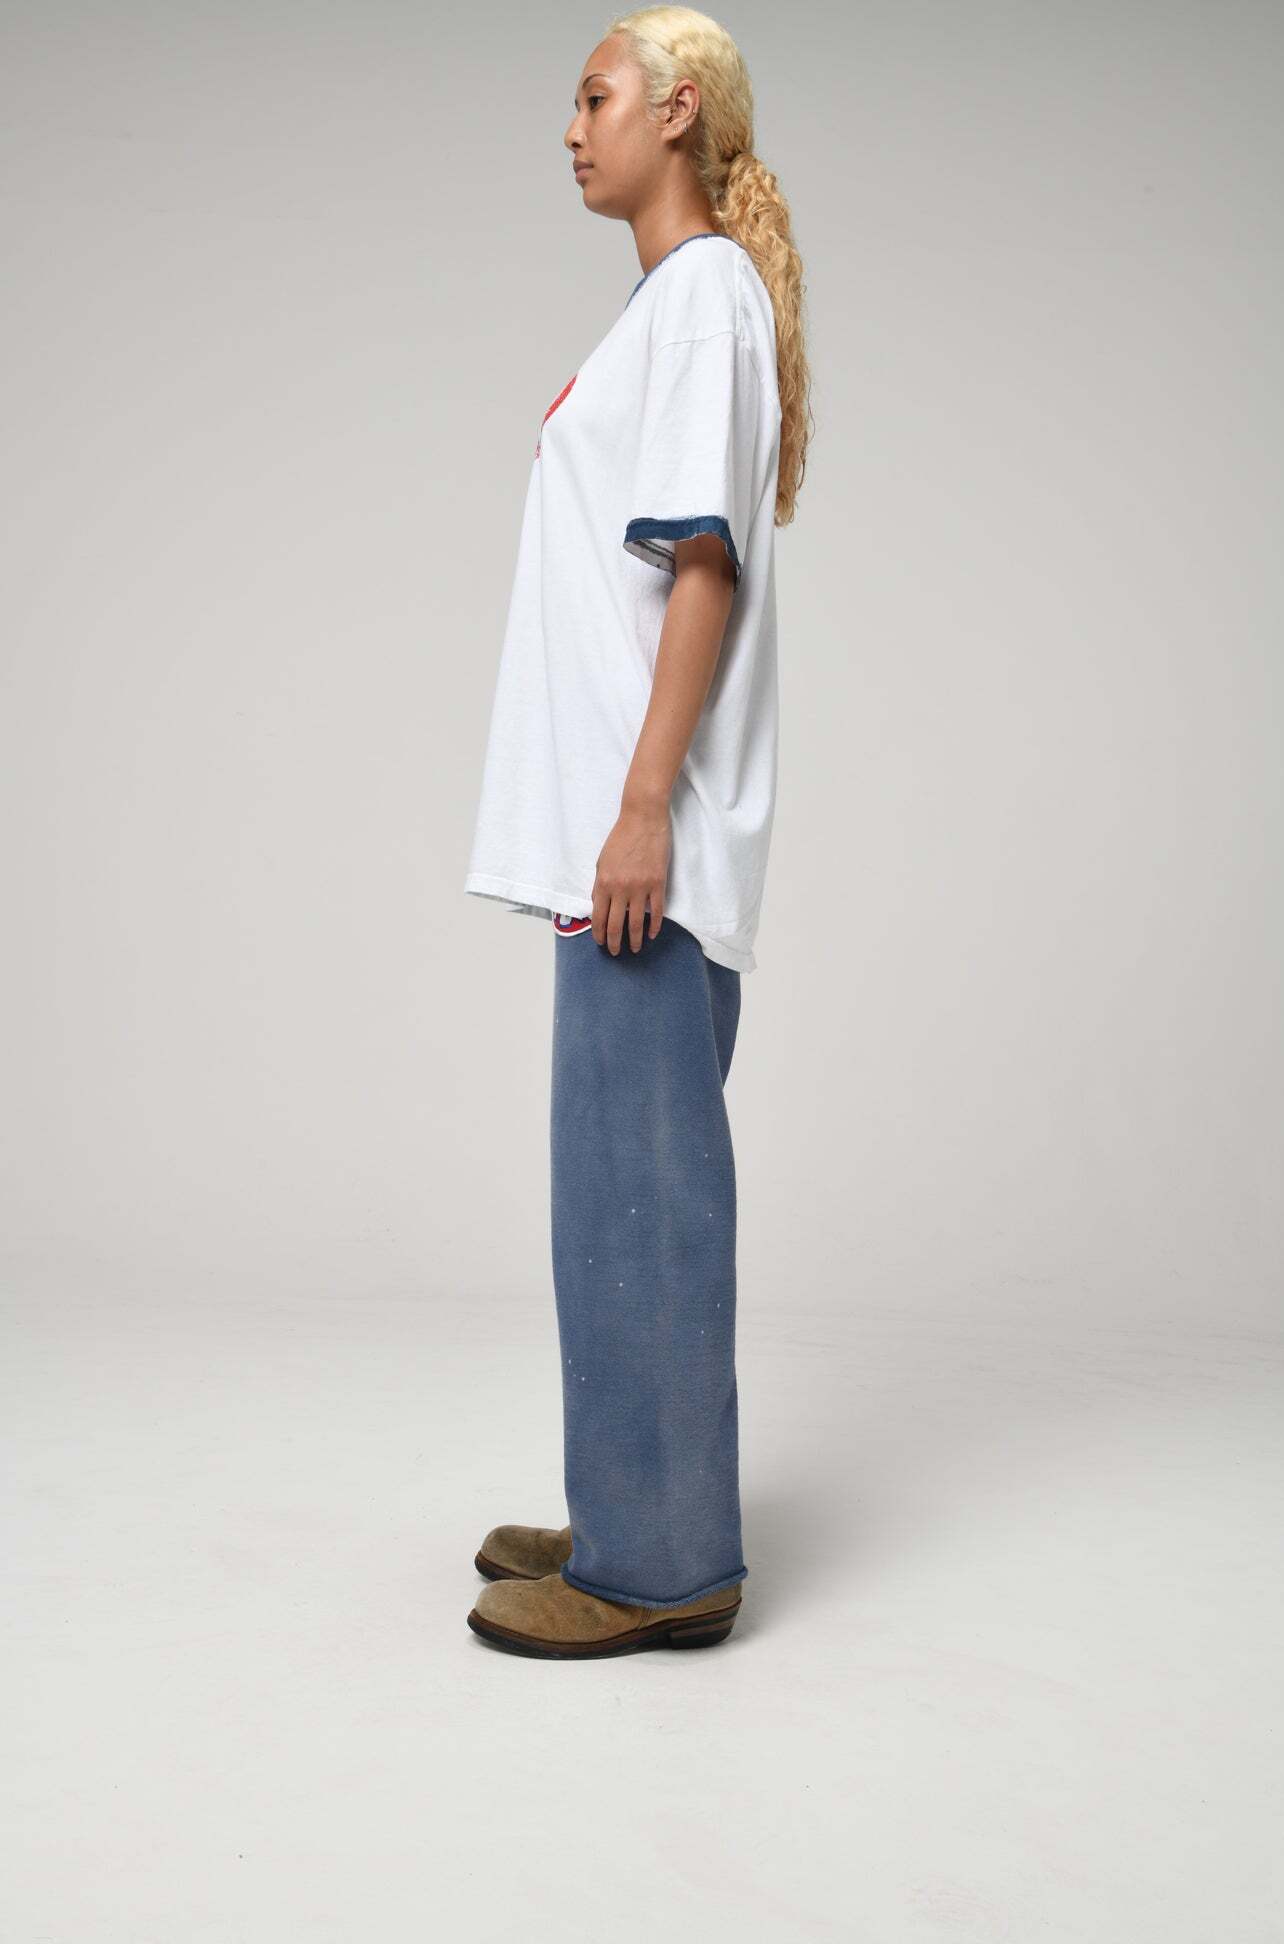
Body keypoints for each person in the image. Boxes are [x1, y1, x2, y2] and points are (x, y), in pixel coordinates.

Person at [462, 5, 812, 1658]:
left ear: (675, 112)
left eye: (593, 97)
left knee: (642, 1195)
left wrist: (641, 805)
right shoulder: (670, 307)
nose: (571, 126)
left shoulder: (704, 299)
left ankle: (660, 1563)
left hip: (638, 846)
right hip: (616, 841)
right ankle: (630, 1499)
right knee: (609, 1186)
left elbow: (703, 569)